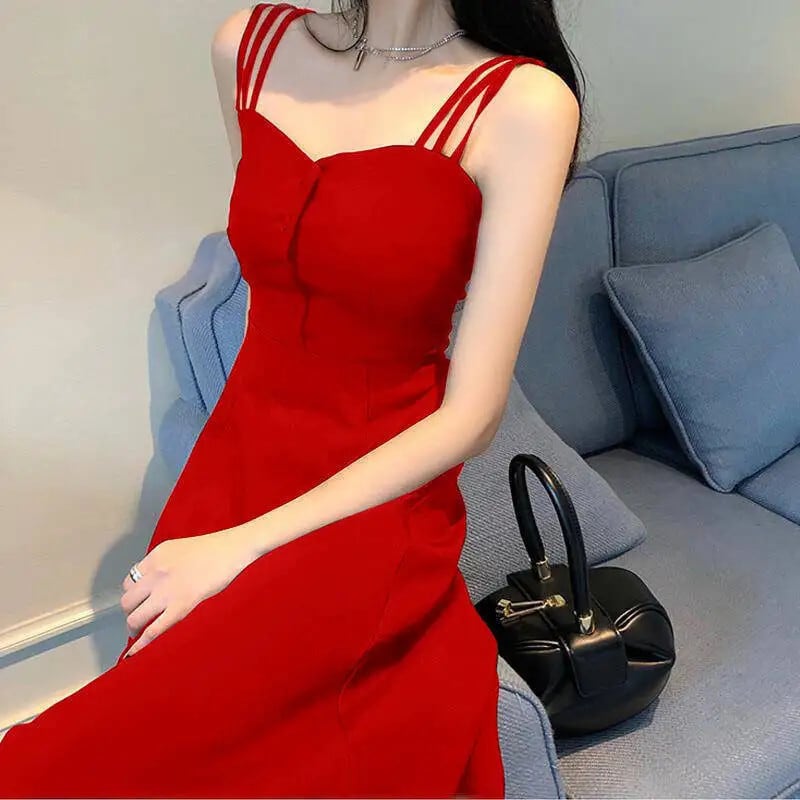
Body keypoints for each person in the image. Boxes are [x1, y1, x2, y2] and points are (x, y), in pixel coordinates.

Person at [0, 1, 582, 796]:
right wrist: (223, 527)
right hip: (237, 464)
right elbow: (275, 270)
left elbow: (472, 415)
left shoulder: (521, 104)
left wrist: (244, 547)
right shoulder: (248, 45)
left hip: (374, 500)